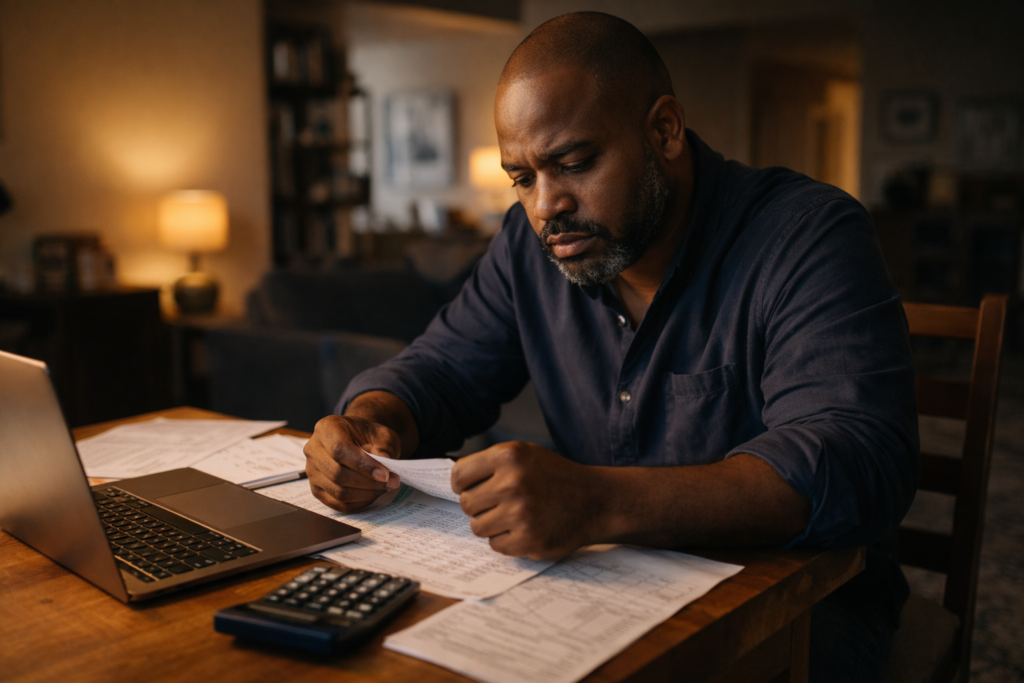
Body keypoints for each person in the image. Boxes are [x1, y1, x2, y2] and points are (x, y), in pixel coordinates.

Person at [303, 12, 918, 682]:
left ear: (664, 130)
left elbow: (854, 458)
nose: (545, 206)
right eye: (522, 177)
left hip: (799, 602)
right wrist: (373, 420)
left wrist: (598, 502)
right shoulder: (527, 248)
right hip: (602, 588)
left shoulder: (806, 235)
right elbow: (441, 369)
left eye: (573, 163)